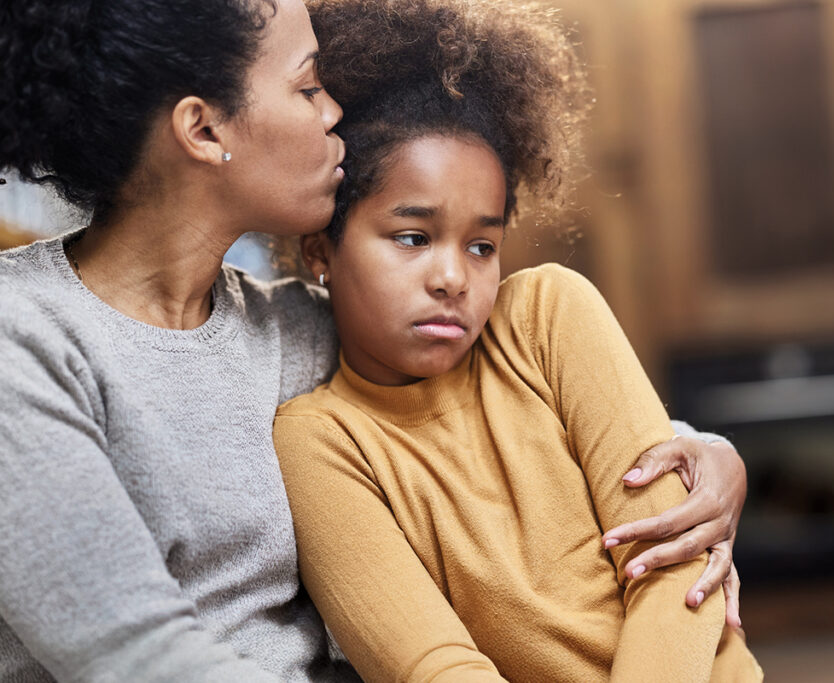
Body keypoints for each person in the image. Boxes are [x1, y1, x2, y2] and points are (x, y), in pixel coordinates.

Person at [0, 0, 746, 679]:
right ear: (203, 129)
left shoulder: (294, 326)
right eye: (308, 86)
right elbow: (135, 658)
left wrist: (708, 459)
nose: (334, 115)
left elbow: (497, 396)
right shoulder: (23, 337)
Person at [273, 0, 762, 680]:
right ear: (320, 248)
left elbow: (671, 564)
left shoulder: (548, 314)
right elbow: (434, 667)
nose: (453, 277)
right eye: (412, 237)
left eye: (482, 244)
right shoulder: (321, 440)